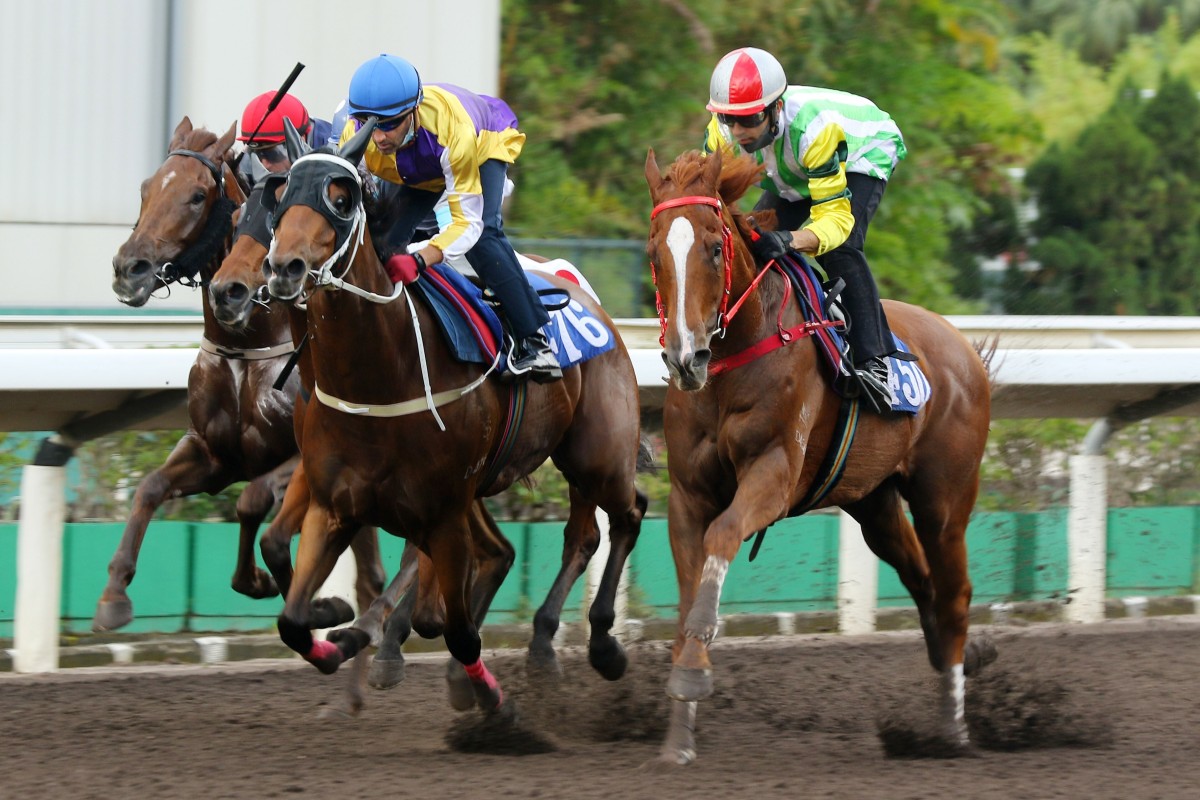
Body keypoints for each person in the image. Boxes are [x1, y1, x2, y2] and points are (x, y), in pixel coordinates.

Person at [703, 47, 907, 413]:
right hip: (794, 168)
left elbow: (836, 222)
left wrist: (790, 239)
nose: (738, 131)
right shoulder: (721, 135)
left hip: (862, 151)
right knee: (751, 244)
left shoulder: (815, 130)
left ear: (775, 109)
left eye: (749, 119)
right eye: (729, 119)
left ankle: (875, 361)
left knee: (838, 249)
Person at [339, 53, 561, 383]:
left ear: (413, 110)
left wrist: (420, 261)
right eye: (368, 124)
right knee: (384, 242)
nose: (379, 137)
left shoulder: (452, 130)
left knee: (484, 236)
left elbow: (467, 224)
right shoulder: (353, 138)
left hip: (480, 143)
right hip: (420, 167)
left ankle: (534, 341)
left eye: (389, 124)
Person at [237, 91, 333, 188]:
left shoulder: (334, 153)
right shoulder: (246, 166)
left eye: (272, 154)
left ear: (302, 139)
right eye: (254, 153)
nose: (264, 165)